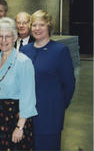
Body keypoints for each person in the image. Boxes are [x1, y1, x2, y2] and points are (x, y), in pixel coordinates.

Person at [21, 10, 75, 150]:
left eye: (42, 25)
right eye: (34, 25)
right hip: (26, 117)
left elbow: (69, 84)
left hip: (49, 116)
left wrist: (57, 106)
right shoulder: (25, 50)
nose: (37, 29)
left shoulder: (60, 50)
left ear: (49, 27)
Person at [0, 17, 37, 150]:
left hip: (14, 117)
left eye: (7, 37)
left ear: (15, 38)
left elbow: (28, 98)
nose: (3, 40)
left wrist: (20, 127)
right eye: (0, 36)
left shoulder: (24, 62)